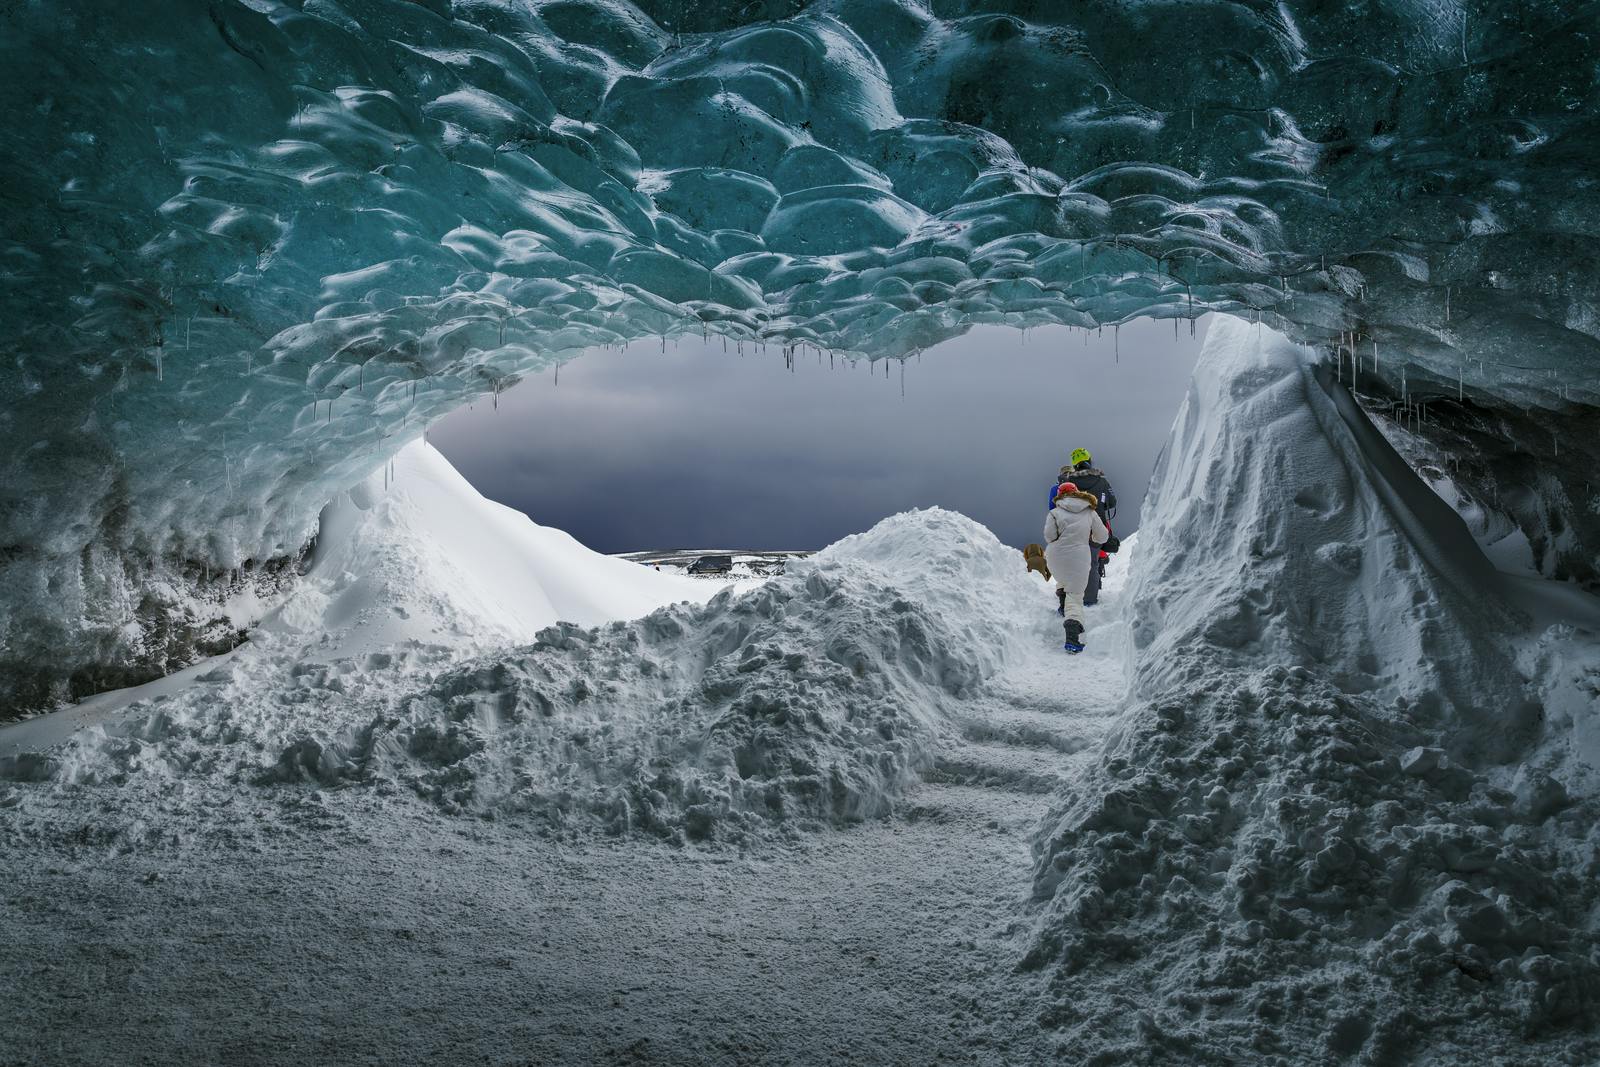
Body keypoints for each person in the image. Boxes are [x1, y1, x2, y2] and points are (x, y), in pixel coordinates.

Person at [1043, 481, 1108, 653]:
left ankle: (1063, 606)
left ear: (1059, 494)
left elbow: (1049, 537)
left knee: (1064, 579)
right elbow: (1102, 537)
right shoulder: (1089, 511)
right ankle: (1072, 639)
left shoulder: (1054, 512)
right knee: (1075, 595)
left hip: (1055, 556)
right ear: (1077, 492)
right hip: (1079, 555)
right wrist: (1090, 536)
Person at [1065, 448, 1116, 606]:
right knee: (1093, 563)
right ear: (1089, 460)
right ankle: (1090, 601)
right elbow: (1112, 502)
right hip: (1096, 528)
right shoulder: (1102, 481)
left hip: (1074, 529)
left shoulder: (1067, 483)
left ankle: (1073, 599)